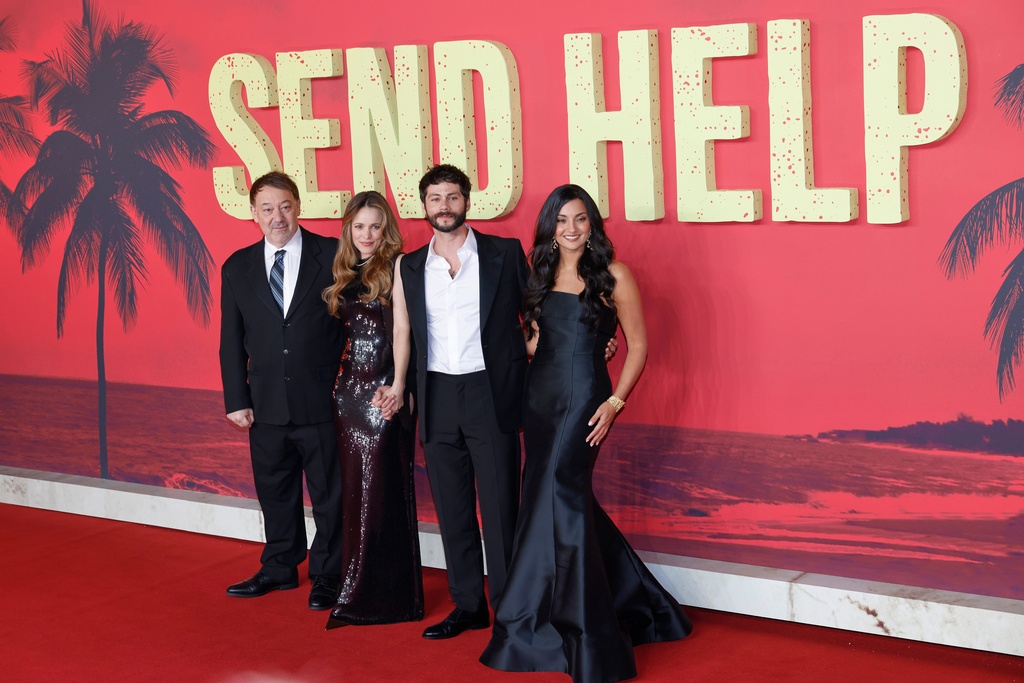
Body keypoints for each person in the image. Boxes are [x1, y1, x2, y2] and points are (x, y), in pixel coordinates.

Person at [480, 185, 693, 683]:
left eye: (580, 220)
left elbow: (638, 344)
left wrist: (615, 401)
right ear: (550, 227)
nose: (571, 229)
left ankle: (581, 632)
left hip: (585, 399)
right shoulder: (541, 274)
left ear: (592, 224)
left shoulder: (614, 275)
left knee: (561, 492)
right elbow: (535, 345)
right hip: (540, 396)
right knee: (549, 497)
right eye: (561, 221)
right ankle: (635, 599)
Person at [398, 164, 528, 639]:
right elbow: (404, 335)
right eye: (435, 199)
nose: (444, 206)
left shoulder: (503, 253)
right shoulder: (410, 265)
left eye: (452, 197)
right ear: (424, 206)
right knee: (452, 511)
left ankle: (512, 613)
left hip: (489, 392)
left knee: (499, 510)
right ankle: (469, 605)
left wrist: (592, 340)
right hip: (436, 395)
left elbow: (535, 312)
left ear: (467, 202)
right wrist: (400, 388)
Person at [219, 171, 343, 611]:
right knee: (274, 491)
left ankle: (330, 574)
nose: (278, 216)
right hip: (265, 404)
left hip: (324, 401)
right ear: (254, 214)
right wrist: (237, 399)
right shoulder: (237, 266)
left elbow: (358, 326)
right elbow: (231, 339)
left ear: (298, 206)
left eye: (285, 206)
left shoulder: (332, 254)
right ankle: (279, 567)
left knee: (331, 494)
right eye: (267, 208)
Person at [320, 191, 423, 627]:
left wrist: (401, 388)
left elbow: (408, 333)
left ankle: (386, 596)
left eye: (375, 226)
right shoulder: (342, 272)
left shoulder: (401, 266)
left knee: (382, 491)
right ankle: (354, 583)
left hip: (385, 394)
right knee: (355, 491)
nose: (366, 235)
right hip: (348, 397)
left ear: (387, 229)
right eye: (359, 226)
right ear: (349, 229)